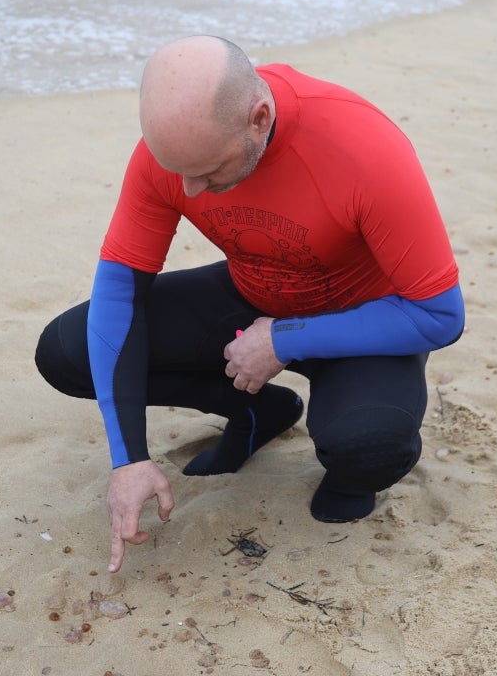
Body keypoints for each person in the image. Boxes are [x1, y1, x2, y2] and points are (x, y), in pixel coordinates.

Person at [35, 35, 464, 574]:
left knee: (369, 448)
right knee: (66, 352)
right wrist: (130, 459)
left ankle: (351, 477)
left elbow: (441, 314)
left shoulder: (364, 149)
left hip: (366, 319)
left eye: (208, 171)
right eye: (178, 170)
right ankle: (260, 412)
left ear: (258, 119)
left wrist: (284, 339)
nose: (189, 189)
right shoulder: (175, 153)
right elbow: (119, 297)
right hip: (252, 292)